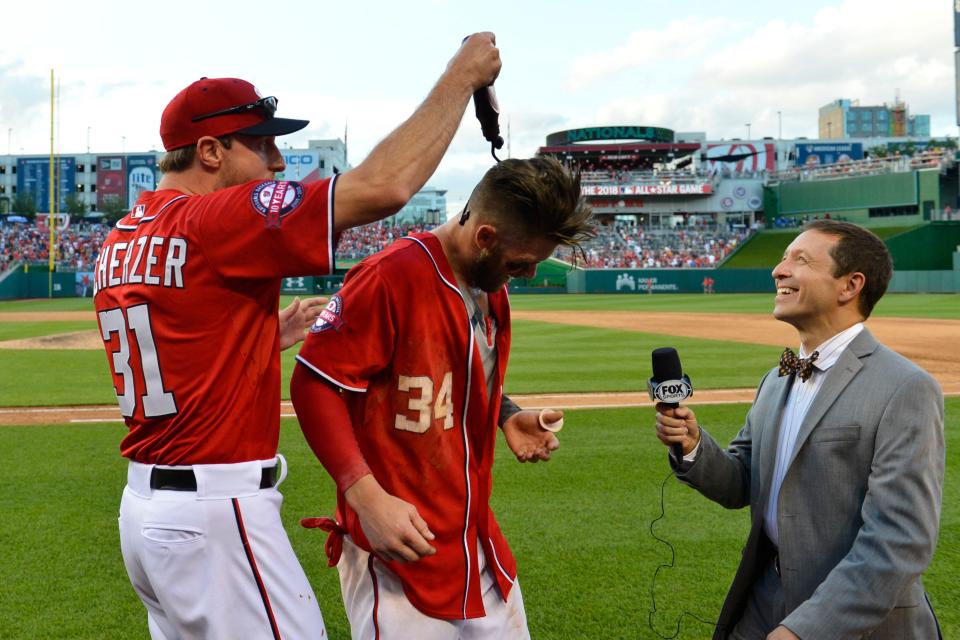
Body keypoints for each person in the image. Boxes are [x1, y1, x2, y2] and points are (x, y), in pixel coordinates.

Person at [93, 33, 501, 640]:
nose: (278, 162)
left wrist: (257, 337)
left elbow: (175, 337)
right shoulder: (213, 218)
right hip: (216, 513)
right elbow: (382, 189)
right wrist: (460, 76)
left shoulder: (124, 233)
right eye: (261, 145)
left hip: (149, 514)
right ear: (209, 150)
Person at [290, 156, 595, 639]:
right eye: (523, 263)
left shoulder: (487, 281)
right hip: (400, 551)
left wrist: (507, 414)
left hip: (473, 539)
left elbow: (450, 373)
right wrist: (365, 497)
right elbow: (314, 382)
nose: (531, 275)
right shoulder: (389, 276)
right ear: (485, 238)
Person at [655, 220, 944, 639]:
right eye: (783, 257)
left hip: (854, 617)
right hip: (763, 600)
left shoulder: (905, 388)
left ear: (850, 285)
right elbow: (742, 482)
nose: (779, 269)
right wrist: (694, 444)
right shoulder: (775, 381)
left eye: (800, 260)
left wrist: (803, 630)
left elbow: (899, 540)